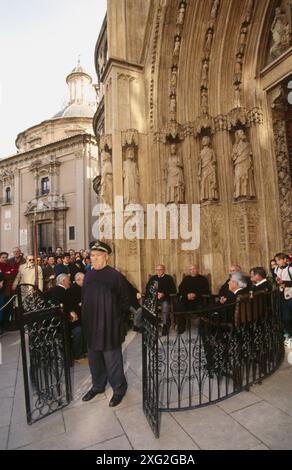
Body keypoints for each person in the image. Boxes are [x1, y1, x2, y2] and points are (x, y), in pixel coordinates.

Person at [82, 241, 129, 407]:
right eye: (91, 255)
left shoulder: (115, 276)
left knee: (112, 360)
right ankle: (98, 386)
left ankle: (119, 389)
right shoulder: (88, 275)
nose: (92, 258)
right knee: (94, 359)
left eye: (96, 255)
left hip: (109, 326)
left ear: (106, 257)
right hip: (92, 326)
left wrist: (117, 320)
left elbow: (125, 301)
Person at [146, 264, 176, 336]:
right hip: (154, 298)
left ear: (164, 270)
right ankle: (152, 326)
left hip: (165, 298)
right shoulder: (153, 278)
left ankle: (165, 326)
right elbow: (147, 288)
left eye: (160, 270)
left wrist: (163, 294)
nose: (158, 271)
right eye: (157, 270)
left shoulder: (169, 278)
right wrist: (155, 294)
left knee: (165, 306)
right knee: (148, 306)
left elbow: (173, 290)